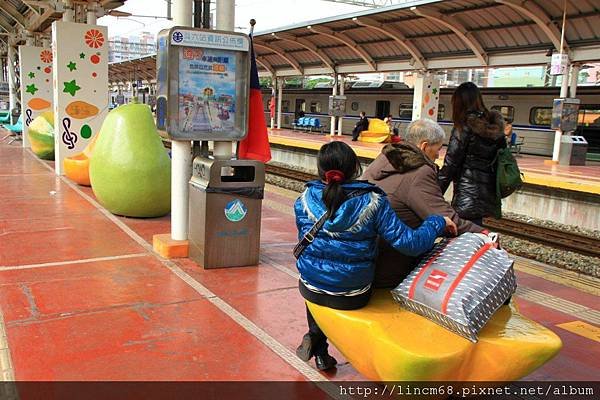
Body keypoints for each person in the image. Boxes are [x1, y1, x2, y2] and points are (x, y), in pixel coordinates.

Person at [294, 141, 457, 371]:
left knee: (317, 276)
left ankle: (319, 348)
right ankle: (326, 347)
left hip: (310, 288)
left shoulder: (303, 199)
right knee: (338, 280)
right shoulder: (373, 201)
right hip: (353, 295)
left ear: (321, 171)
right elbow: (410, 244)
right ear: (355, 169)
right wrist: (437, 221)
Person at [362, 119, 487, 288]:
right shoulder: (419, 172)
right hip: (389, 269)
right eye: (438, 148)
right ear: (424, 146)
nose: (438, 155)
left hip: (365, 260)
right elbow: (445, 218)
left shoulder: (384, 159)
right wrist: (484, 234)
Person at [438, 82, 506, 226]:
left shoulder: (464, 127)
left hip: (467, 195)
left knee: (462, 238)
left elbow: (451, 164)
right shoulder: (495, 127)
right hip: (488, 194)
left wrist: (435, 193)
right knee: (475, 233)